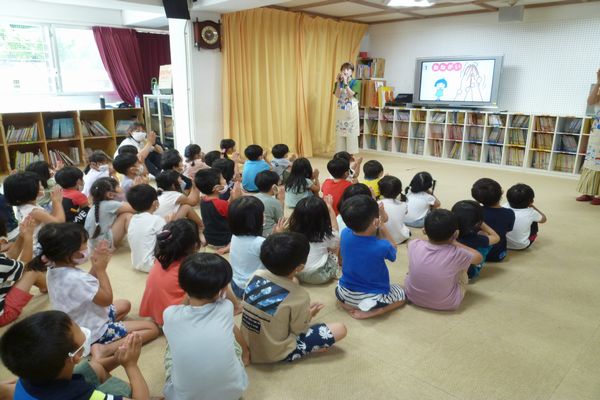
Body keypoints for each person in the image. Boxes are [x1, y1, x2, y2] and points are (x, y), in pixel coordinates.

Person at [28, 223, 159, 368]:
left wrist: (96, 266)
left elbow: (88, 287)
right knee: (151, 328)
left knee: (125, 305)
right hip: (94, 331)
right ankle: (104, 348)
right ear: (70, 253)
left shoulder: (53, 267)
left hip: (80, 320)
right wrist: (101, 269)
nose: (87, 247)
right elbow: (106, 299)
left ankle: (105, 336)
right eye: (84, 244)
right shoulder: (75, 279)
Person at [241, 232, 347, 363]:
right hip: (274, 352)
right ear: (300, 267)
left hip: (247, 342)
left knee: (293, 284)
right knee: (340, 329)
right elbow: (298, 330)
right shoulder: (299, 296)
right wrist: (309, 314)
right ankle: (301, 351)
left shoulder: (256, 274)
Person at [0, 310, 152, 400]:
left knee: (95, 367)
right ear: (76, 357)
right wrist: (130, 365)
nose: (81, 329)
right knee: (137, 392)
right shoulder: (80, 395)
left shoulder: (28, 371)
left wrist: (120, 359)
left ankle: (106, 358)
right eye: (78, 329)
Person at [163, 253, 248, 400]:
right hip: (233, 393)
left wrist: (189, 292)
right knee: (230, 338)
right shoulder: (226, 308)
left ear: (183, 286)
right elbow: (226, 301)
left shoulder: (169, 315)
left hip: (185, 397)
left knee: (170, 346)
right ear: (223, 289)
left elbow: (181, 307)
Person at [335, 195, 405, 319]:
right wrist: (382, 227)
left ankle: (347, 304)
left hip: (344, 292)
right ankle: (377, 311)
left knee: (342, 289)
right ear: (375, 221)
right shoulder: (382, 246)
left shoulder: (345, 233)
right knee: (402, 293)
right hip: (373, 296)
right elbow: (393, 250)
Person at [404, 209, 483, 311]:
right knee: (463, 268)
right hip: (448, 303)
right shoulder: (459, 253)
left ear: (425, 230)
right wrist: (454, 242)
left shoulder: (413, 244)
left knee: (413, 268)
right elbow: (479, 258)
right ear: (456, 233)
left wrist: (427, 235)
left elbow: (412, 242)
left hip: (412, 296)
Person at [139, 219, 200, 325]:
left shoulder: (160, 258)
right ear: (195, 245)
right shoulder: (190, 268)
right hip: (173, 319)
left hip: (156, 313)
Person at [0, 217, 45, 327]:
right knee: (33, 271)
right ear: (2, 241)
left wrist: (21, 236)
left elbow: (9, 258)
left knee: (17, 270)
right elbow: (27, 266)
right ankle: (50, 288)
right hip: (3, 315)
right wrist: (28, 238)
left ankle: (46, 286)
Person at [3, 172, 65, 245]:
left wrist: (55, 203)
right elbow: (59, 224)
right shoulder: (34, 212)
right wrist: (57, 202)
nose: (42, 187)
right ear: (30, 191)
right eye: (40, 185)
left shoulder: (24, 206)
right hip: (38, 247)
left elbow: (50, 219)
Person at [289, 196, 339, 284]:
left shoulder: (291, 233)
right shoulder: (325, 235)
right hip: (318, 276)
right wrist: (331, 210)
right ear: (324, 217)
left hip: (296, 272)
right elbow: (336, 235)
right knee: (336, 245)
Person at [228, 196, 266, 298]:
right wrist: (276, 237)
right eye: (262, 214)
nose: (264, 215)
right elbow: (276, 261)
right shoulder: (259, 243)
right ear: (253, 221)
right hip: (251, 289)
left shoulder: (235, 236)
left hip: (235, 284)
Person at [451, 200, 499, 279]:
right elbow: (496, 238)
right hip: (469, 273)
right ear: (476, 223)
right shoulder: (474, 238)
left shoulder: (446, 233)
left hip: (449, 270)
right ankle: (476, 268)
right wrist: (481, 223)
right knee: (484, 235)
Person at [195, 168, 241, 252]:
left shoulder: (203, 200)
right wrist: (237, 199)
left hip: (209, 238)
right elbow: (236, 214)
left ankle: (202, 237)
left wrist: (231, 198)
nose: (225, 180)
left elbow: (222, 208)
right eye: (222, 179)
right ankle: (227, 248)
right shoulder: (220, 204)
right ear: (216, 188)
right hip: (224, 240)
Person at [155, 170, 206, 245]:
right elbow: (193, 201)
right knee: (186, 207)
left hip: (158, 230)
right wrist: (195, 186)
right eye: (180, 179)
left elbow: (188, 199)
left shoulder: (160, 193)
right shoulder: (174, 195)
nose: (182, 181)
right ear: (173, 185)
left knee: (183, 207)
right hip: (166, 229)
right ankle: (201, 227)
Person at [126, 184, 168, 273]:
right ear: (155, 203)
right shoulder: (157, 220)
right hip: (153, 265)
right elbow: (166, 239)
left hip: (136, 264)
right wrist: (169, 223)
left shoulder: (133, 219)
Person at [471, 178, 515, 262]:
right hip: (498, 255)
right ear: (501, 192)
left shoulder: (474, 212)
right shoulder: (509, 213)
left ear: (477, 199)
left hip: (477, 254)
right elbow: (507, 231)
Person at [85, 177, 134, 250]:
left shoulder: (98, 205)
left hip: (95, 244)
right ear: (110, 194)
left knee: (123, 213)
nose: (121, 187)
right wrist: (135, 190)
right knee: (127, 216)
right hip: (103, 244)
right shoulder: (109, 205)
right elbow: (136, 208)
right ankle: (138, 243)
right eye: (118, 186)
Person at [576, 68, 600, 205]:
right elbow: (590, 101)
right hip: (597, 132)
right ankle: (588, 191)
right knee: (592, 160)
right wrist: (598, 82)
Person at [504, 183, 547, 250]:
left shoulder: (504, 206)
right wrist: (532, 207)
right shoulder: (531, 212)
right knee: (534, 220)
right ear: (531, 201)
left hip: (503, 243)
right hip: (522, 246)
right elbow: (544, 219)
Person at [333, 62, 361, 153]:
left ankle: (351, 156)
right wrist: (338, 82)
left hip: (351, 113)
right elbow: (337, 95)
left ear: (352, 72)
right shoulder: (338, 83)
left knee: (351, 135)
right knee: (340, 135)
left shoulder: (356, 82)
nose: (345, 71)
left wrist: (345, 83)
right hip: (341, 113)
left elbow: (350, 95)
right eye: (343, 69)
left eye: (348, 69)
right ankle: (340, 154)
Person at [378, 175, 410, 245]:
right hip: (402, 237)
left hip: (384, 239)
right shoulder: (403, 204)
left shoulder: (378, 204)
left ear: (380, 191)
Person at [254, 170, 284, 237]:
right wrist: (281, 200)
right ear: (274, 187)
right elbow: (280, 220)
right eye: (278, 184)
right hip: (268, 234)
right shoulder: (274, 202)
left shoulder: (253, 197)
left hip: (255, 232)